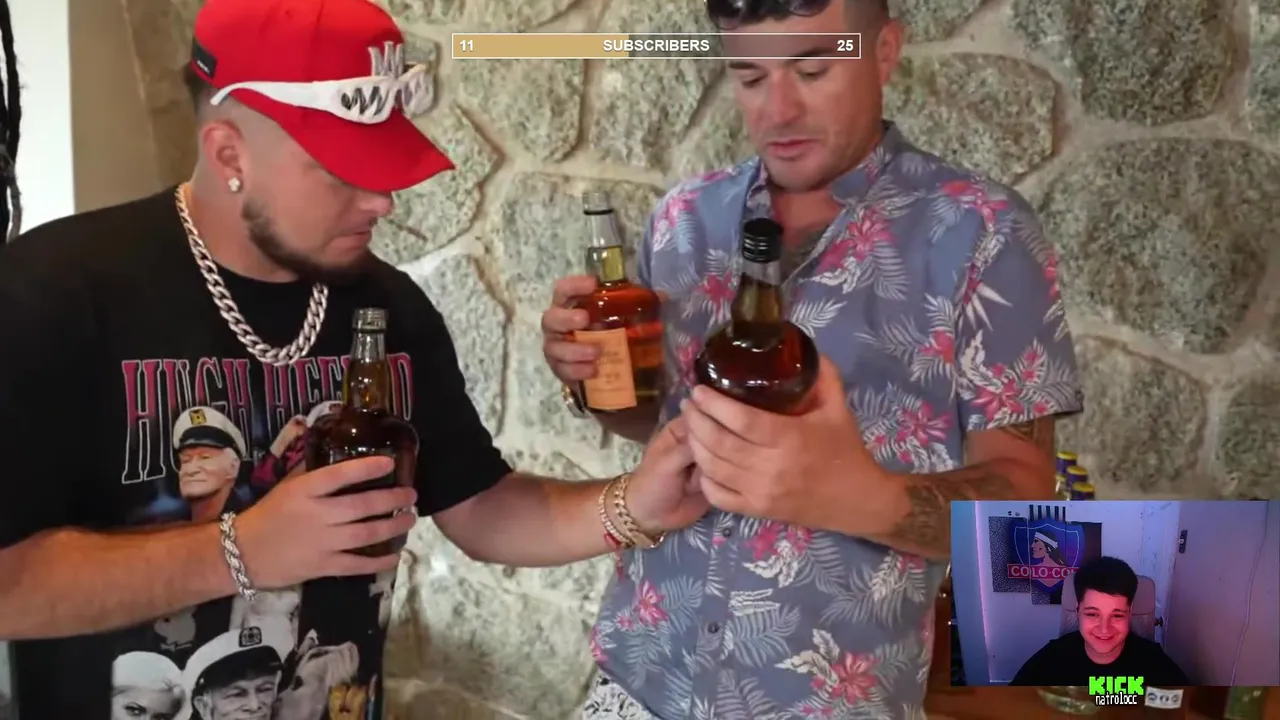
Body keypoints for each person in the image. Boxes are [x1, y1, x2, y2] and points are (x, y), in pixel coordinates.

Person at [0, 0, 709, 717]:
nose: (381, 201)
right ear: (229, 154)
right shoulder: (55, 292)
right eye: (343, 170)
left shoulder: (388, 308)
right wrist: (243, 549)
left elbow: (481, 506)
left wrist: (635, 504)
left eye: (385, 165)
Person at [543, 0, 1084, 717]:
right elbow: (659, 425)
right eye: (750, 76)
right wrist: (594, 378)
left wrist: (856, 495)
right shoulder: (683, 219)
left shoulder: (984, 233)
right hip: (639, 680)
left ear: (883, 51)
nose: (778, 111)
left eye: (813, 69)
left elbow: (1021, 520)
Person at [1011, 556, 1189, 686]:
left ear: (1130, 613)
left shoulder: (1154, 663)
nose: (1104, 629)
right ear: (1077, 610)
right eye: (1092, 614)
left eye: (1117, 615)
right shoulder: (1053, 658)